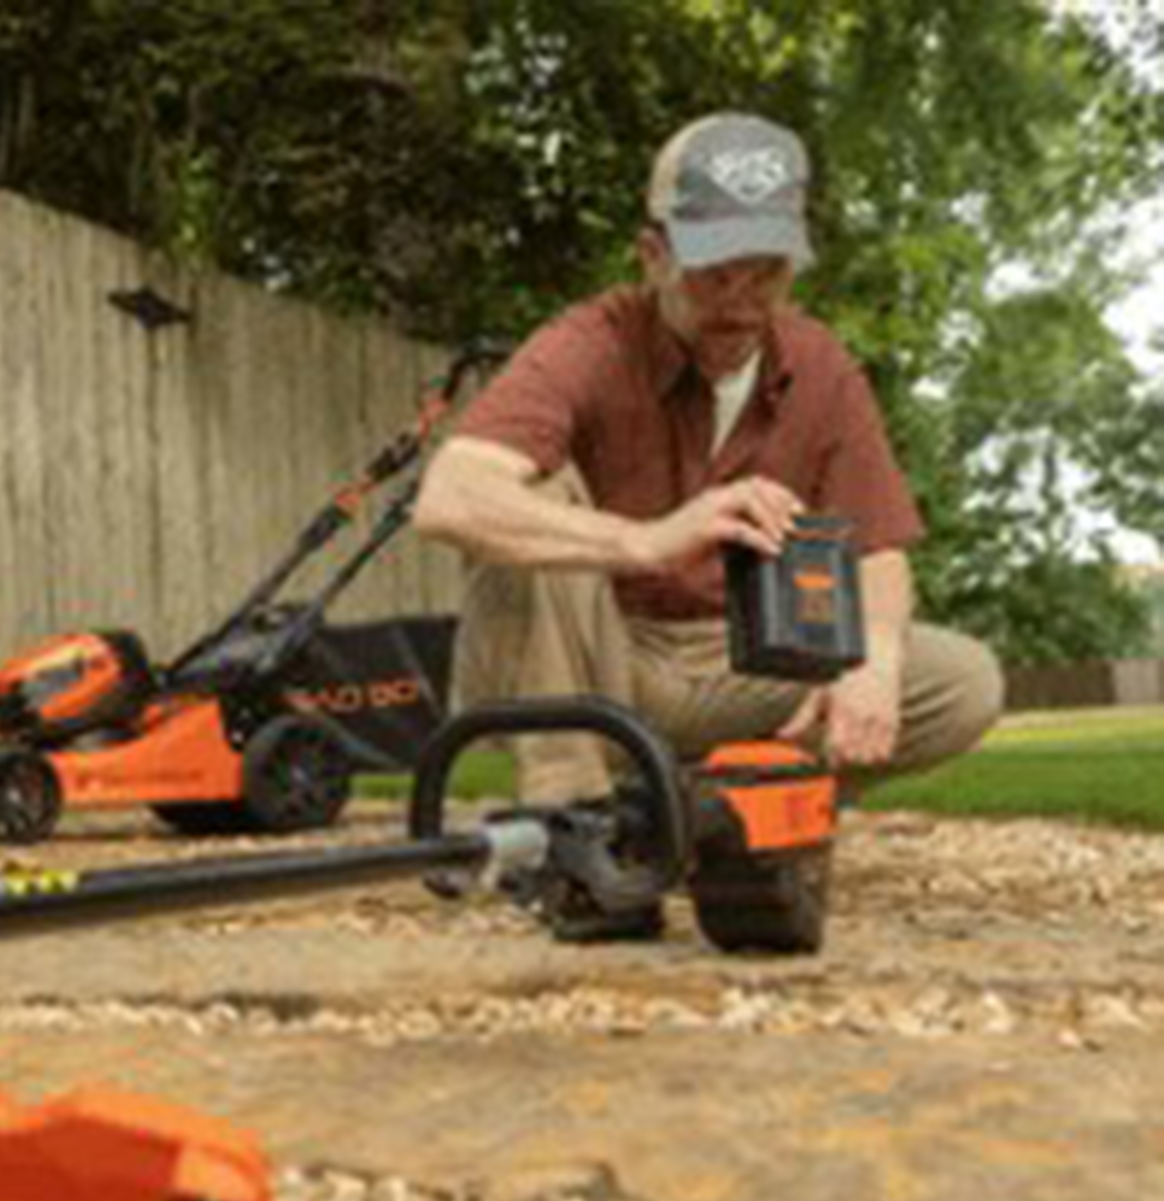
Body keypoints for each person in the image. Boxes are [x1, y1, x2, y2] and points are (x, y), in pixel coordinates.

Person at [412, 112, 1002, 924]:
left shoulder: (821, 366)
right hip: (593, 653)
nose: (740, 301)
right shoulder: (587, 342)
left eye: (767, 273)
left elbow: (880, 553)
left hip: (741, 662)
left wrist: (877, 660)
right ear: (653, 255)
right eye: (713, 272)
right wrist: (645, 539)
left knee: (961, 681)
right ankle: (573, 825)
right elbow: (450, 495)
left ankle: (708, 811)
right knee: (530, 500)